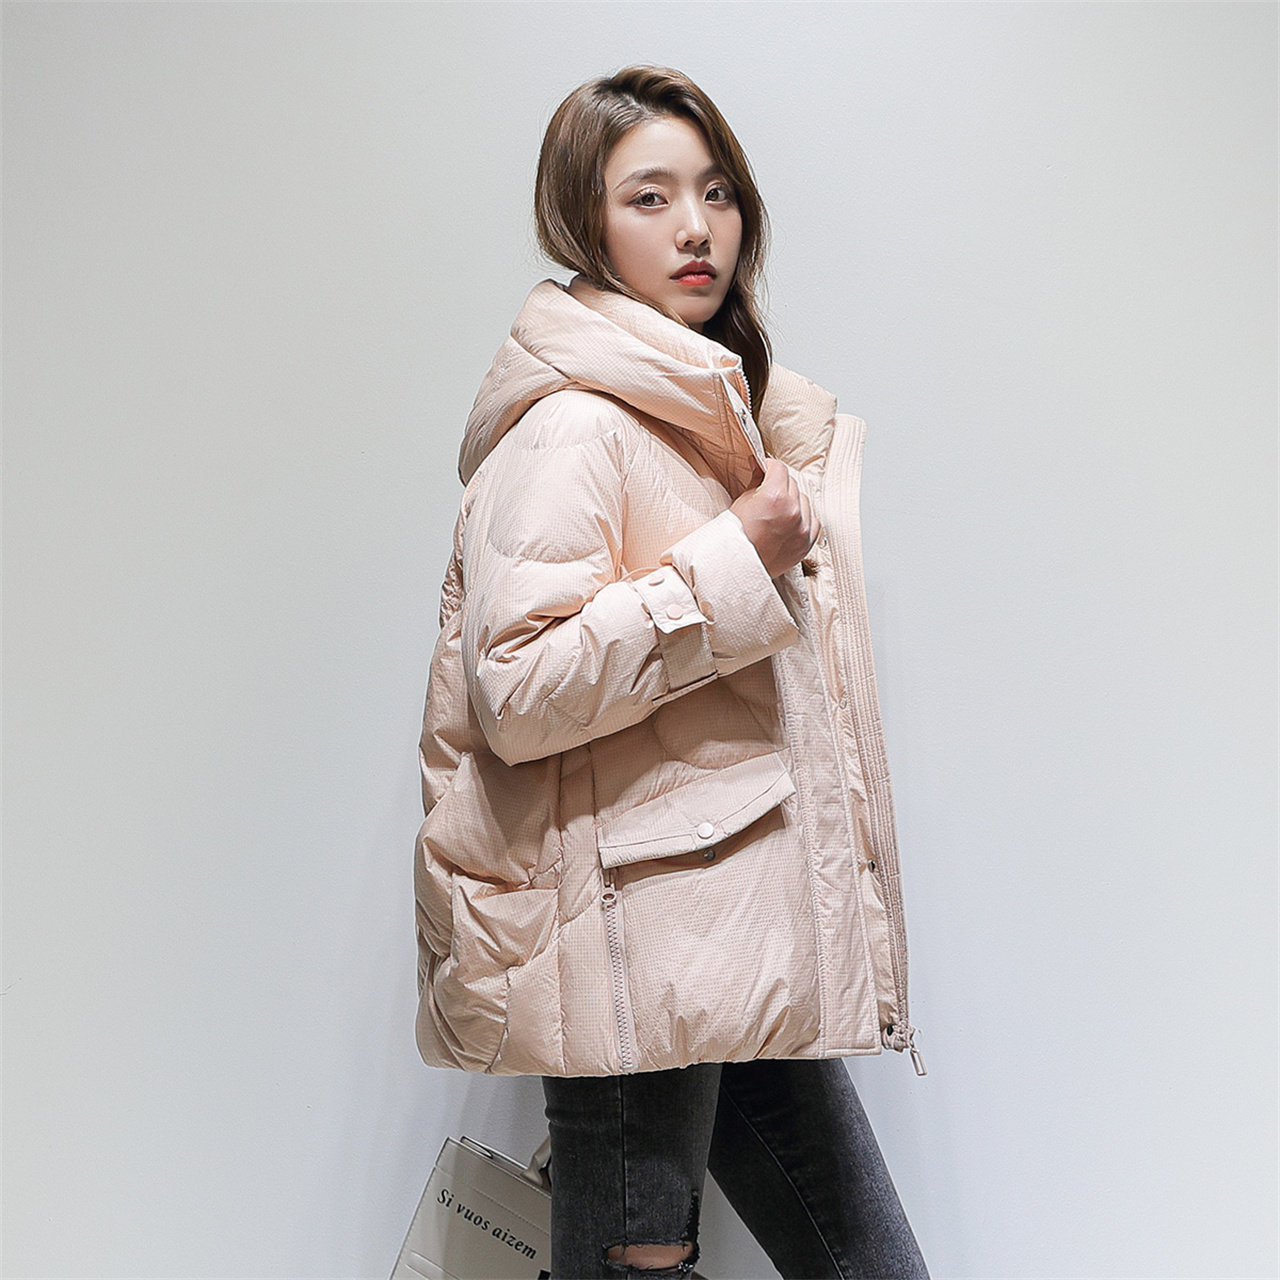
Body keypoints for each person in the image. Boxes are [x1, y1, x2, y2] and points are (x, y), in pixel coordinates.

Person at [412, 65, 929, 1279]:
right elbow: (518, 689)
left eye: (716, 192)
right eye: (648, 197)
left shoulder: (704, 416)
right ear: (583, 223)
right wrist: (731, 560)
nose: (695, 227)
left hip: (722, 944)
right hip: (629, 959)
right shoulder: (573, 425)